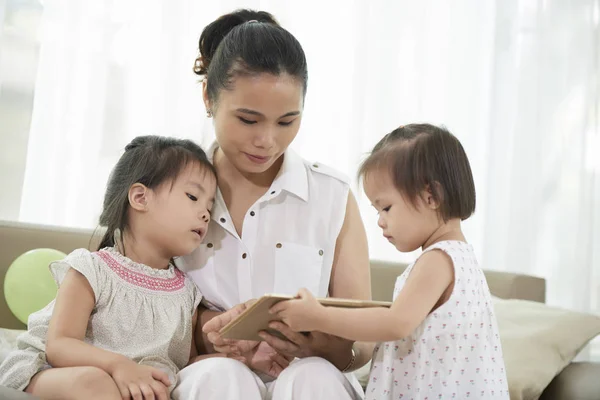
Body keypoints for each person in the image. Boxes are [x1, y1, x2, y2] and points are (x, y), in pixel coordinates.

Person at [173, 9, 372, 400]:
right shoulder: (168, 187)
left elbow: (362, 341)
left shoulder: (332, 196)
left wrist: (324, 345)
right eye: (248, 120)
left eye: (286, 121)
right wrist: (209, 331)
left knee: (312, 376)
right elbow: (127, 293)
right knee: (219, 376)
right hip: (211, 380)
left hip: (311, 383)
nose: (267, 140)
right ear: (208, 98)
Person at [272, 124, 511, 399]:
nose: (380, 221)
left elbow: (395, 323)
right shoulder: (461, 258)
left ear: (430, 196)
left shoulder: (438, 260)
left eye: (386, 207)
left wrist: (319, 316)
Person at [0, 136, 219, 400]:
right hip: (51, 372)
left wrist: (230, 358)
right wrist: (119, 366)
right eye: (193, 197)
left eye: (210, 206)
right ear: (140, 197)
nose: (206, 214)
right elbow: (59, 346)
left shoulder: (186, 293)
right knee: (94, 382)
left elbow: (185, 364)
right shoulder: (92, 269)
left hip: (130, 390)